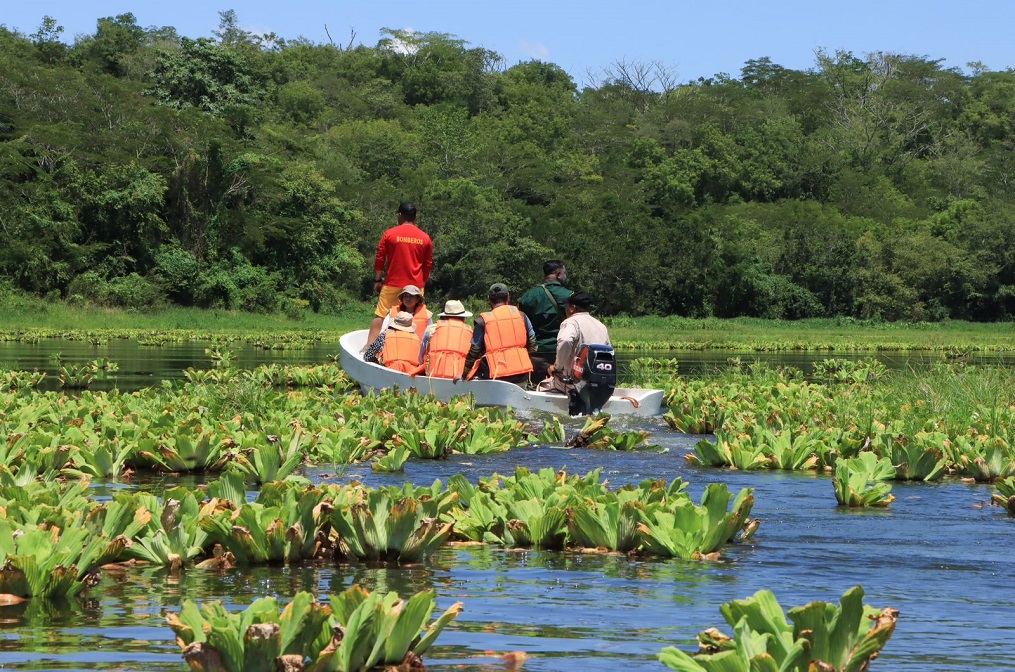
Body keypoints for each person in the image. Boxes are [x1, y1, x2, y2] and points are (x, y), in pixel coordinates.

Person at [364, 202, 433, 350]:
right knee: (417, 318)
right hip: (415, 285)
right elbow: (428, 264)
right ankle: (416, 350)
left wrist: (377, 279)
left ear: (400, 215)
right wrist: (422, 283)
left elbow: (380, 258)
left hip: (392, 283)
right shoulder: (425, 238)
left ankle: (369, 347)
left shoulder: (390, 234)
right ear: (415, 217)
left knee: (381, 315)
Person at [463, 283, 537, 386]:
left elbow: (474, 351)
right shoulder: (521, 316)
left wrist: (464, 374)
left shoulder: (483, 321)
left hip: (495, 375)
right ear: (508, 297)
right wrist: (524, 358)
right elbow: (533, 344)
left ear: (489, 299)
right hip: (521, 374)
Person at [539, 291, 611, 393]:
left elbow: (565, 341)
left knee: (541, 386)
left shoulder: (571, 322)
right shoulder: (601, 326)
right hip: (597, 382)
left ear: (572, 308)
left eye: (566, 306)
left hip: (573, 383)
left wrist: (556, 367)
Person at [517, 260, 571, 382]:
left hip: (537, 354)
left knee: (535, 388)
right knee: (563, 389)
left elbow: (522, 324)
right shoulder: (570, 297)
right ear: (558, 274)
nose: (565, 276)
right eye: (564, 273)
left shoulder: (528, 296)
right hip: (562, 351)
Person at [415, 299, 473, 379]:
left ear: (444, 316)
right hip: (459, 377)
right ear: (463, 318)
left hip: (432, 374)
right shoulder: (469, 331)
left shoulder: (431, 329)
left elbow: (421, 356)